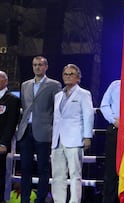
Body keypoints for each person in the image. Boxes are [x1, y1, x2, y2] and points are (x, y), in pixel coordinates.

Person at [16, 56, 62, 203]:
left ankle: (40, 200)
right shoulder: (25, 85)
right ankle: (25, 199)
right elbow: (25, 106)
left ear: (46, 67)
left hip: (44, 131)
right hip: (25, 131)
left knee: (43, 168)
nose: (37, 67)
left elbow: (57, 110)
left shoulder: (54, 85)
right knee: (25, 168)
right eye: (35, 65)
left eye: (40, 65)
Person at [51, 64, 94, 203]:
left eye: (71, 74)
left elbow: (88, 116)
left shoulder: (84, 94)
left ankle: (74, 201)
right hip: (58, 140)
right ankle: (59, 201)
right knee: (57, 174)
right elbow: (57, 118)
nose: (68, 76)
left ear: (78, 78)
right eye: (66, 74)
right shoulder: (58, 96)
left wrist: (87, 136)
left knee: (75, 174)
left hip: (75, 139)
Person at [0, 71, 20, 203]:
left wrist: (4, 143)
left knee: (1, 174)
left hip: (1, 143)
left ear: (5, 81)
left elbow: (11, 124)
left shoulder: (12, 99)